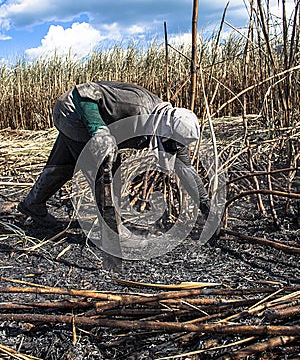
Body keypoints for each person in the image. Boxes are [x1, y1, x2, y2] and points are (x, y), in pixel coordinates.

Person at [18, 80, 211, 244]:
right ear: (165, 130)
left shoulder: (173, 132)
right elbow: (83, 93)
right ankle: (111, 234)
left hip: (87, 119)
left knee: (63, 166)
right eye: (171, 143)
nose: (173, 148)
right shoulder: (138, 107)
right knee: (106, 169)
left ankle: (33, 205)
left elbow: (186, 170)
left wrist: (206, 206)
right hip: (74, 112)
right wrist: (99, 131)